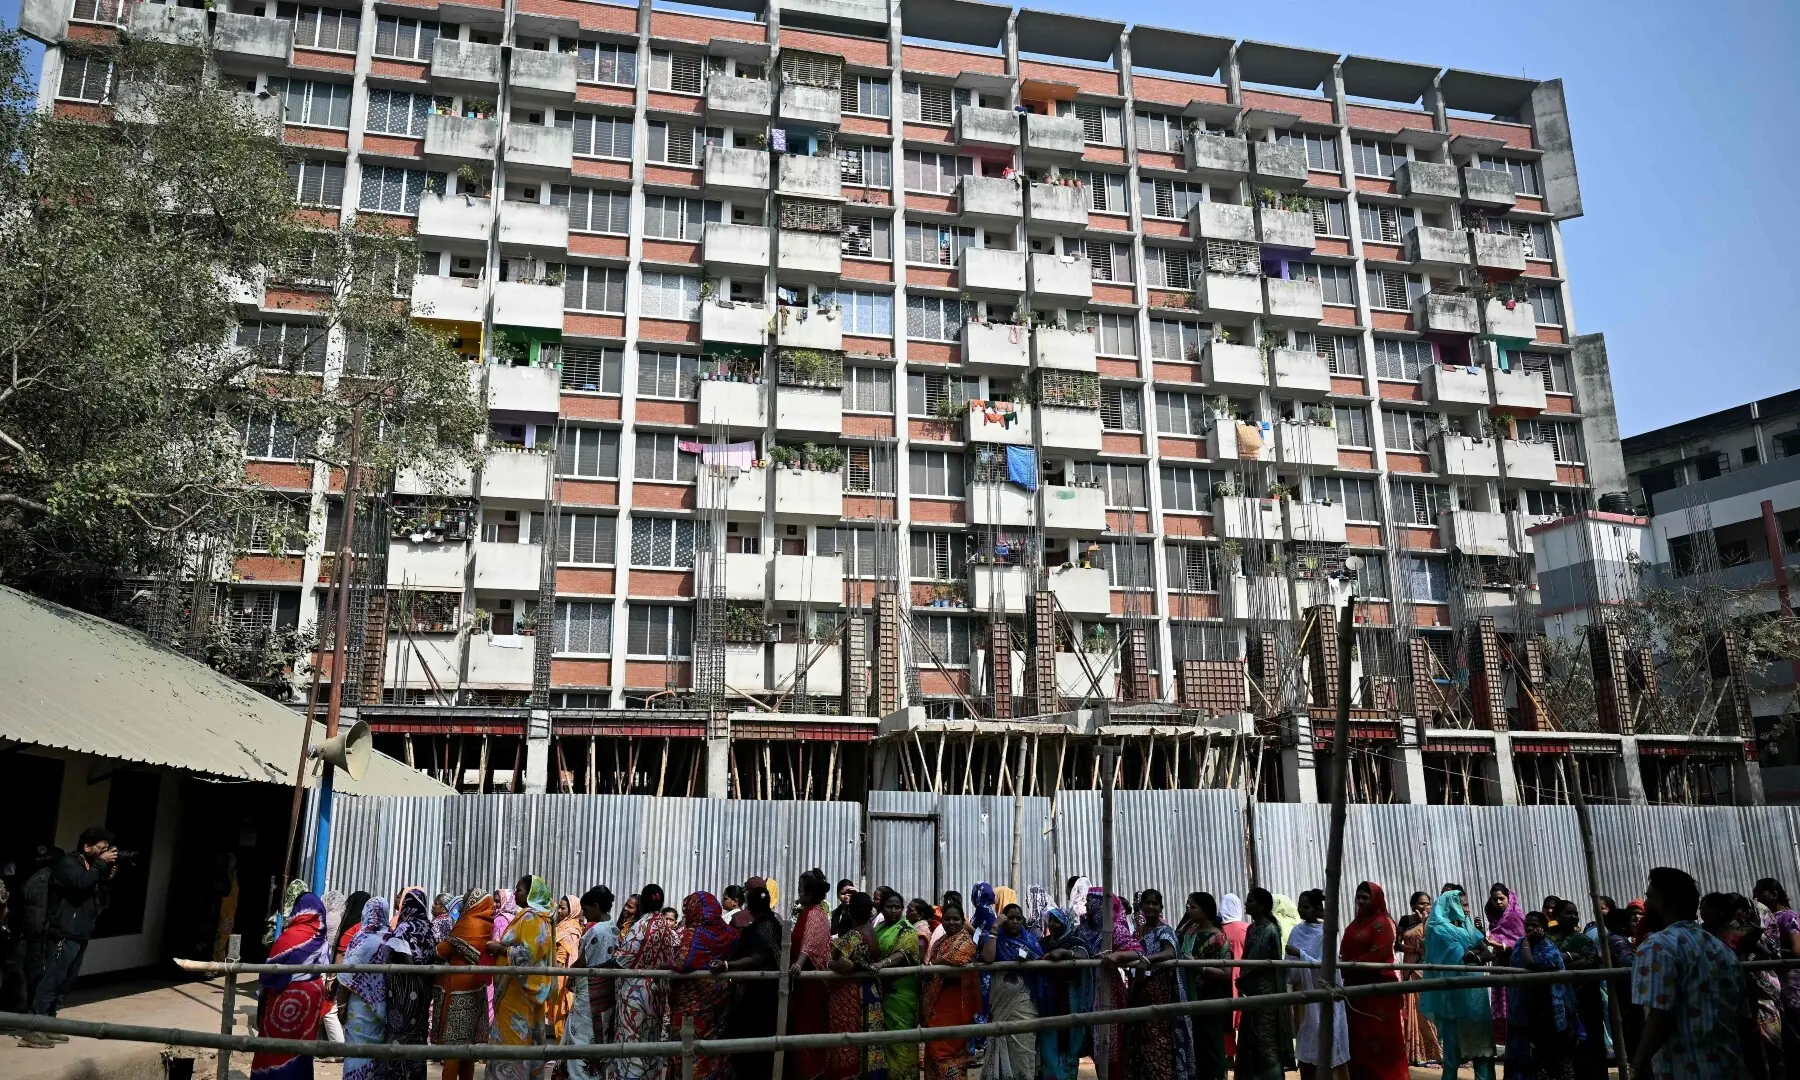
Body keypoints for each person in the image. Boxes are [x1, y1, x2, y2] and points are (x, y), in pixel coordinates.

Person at [1631, 867, 1742, 1080]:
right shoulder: (1721, 950)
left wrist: (1635, 1068)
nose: (1646, 905)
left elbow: (1659, 1019)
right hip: (1729, 1068)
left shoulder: (1657, 946)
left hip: (1683, 1070)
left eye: (1649, 897)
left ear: (1665, 900)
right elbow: (1744, 1020)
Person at [19, 826, 117, 1045]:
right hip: (63, 932)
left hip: (80, 933)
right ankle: (33, 1029)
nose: (105, 853)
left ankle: (50, 1024)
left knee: (65, 983)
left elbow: (98, 897)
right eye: (101, 848)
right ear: (87, 847)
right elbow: (81, 883)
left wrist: (106, 876)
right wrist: (101, 865)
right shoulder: (67, 863)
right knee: (51, 980)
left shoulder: (92, 867)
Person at [248, 891, 331, 1080]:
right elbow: (325, 967)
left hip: (286, 996)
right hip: (312, 996)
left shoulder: (289, 936)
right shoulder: (322, 938)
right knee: (302, 1047)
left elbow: (269, 974)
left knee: (276, 1046)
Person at [1421, 887, 1495, 1080]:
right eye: (1463, 905)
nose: (1467, 909)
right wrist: (1472, 955)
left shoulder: (1468, 927)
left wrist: (1474, 957)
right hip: (1451, 994)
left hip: (1475, 993)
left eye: (1467, 904)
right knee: (1453, 1049)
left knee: (1482, 1044)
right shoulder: (1438, 929)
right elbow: (1457, 955)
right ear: (1451, 906)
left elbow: (1487, 952)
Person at [609, 883, 680, 1080]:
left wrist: (614, 955)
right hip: (657, 991)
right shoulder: (668, 929)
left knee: (631, 1039)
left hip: (634, 992)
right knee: (650, 1040)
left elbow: (623, 960)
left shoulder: (639, 926)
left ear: (642, 902)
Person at [491, 875, 557, 1080]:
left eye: (519, 889)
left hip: (517, 993)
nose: (515, 892)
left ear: (531, 894)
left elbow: (527, 956)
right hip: (521, 991)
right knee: (526, 1037)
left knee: (513, 1040)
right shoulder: (538, 917)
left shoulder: (532, 917)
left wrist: (499, 948)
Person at [666, 892, 737, 1080]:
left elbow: (682, 963)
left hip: (693, 999)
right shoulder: (728, 932)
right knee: (714, 1045)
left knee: (689, 1045)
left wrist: (664, 963)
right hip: (720, 994)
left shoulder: (695, 933)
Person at [1340, 882, 1406, 1080]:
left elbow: (1379, 954)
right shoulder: (1356, 923)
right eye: (1358, 897)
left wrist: (1349, 965)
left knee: (1381, 1044)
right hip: (1356, 991)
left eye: (1365, 898)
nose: (1360, 901)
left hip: (1379, 992)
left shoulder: (1383, 923)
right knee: (1359, 1042)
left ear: (1376, 899)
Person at [1506, 910, 1580, 1080]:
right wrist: (1526, 942)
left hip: (1546, 1006)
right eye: (1527, 925)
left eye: (1535, 925)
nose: (1530, 928)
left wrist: (1528, 942)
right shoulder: (1519, 944)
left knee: (1548, 1050)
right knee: (1525, 1051)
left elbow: (1531, 963)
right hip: (1524, 1004)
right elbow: (1519, 962)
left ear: (1544, 929)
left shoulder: (1549, 948)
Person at [719, 884, 782, 1080]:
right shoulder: (774, 922)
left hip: (760, 991)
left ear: (750, 907)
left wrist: (728, 965)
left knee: (752, 1040)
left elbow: (758, 958)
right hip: (769, 991)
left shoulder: (761, 927)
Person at [1127, 889, 1191, 1080]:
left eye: (1155, 904)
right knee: (1140, 1042)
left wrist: (1146, 959)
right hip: (1139, 989)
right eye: (1147, 903)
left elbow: (1169, 952)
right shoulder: (1139, 931)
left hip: (1159, 993)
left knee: (1158, 1042)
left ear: (1161, 908)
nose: (1150, 907)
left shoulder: (1164, 931)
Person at [1288, 889, 1350, 1080]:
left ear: (1317, 909)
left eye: (1305, 907)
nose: (1300, 910)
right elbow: (1289, 966)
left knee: (1325, 1035)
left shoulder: (1325, 933)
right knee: (1306, 1037)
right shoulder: (1296, 930)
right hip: (1303, 994)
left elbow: (1325, 964)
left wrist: (1300, 954)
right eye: (1299, 906)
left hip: (1323, 992)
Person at [1235, 888, 1296, 1080]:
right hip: (1250, 990)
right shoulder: (1252, 929)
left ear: (1261, 906)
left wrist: (1245, 976)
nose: (1246, 904)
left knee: (1266, 1039)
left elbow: (1268, 962)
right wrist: (1242, 978)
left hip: (1265, 993)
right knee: (1250, 1038)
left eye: (1250, 901)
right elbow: (1246, 958)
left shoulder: (1271, 929)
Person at [437, 888, 496, 1080]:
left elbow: (442, 951)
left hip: (458, 991)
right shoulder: (489, 924)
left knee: (453, 1046)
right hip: (477, 989)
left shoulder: (467, 923)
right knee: (467, 1048)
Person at [982, 902, 1044, 1080]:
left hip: (1025, 1006)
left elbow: (1039, 961)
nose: (1015, 921)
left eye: (1018, 918)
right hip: (1000, 1004)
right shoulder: (995, 938)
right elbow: (988, 958)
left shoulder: (1030, 941)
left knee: (1024, 1049)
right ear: (1003, 919)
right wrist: (994, 927)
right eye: (1010, 918)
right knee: (1000, 1044)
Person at [381, 887, 438, 1080]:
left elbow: (401, 955)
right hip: (423, 989)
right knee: (418, 1033)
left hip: (404, 990)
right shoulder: (429, 927)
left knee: (400, 1032)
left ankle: (398, 1075)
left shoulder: (405, 927)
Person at [827, 891, 883, 1080]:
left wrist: (829, 964)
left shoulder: (853, 936)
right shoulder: (873, 932)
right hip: (872, 990)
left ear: (850, 912)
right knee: (870, 1040)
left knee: (851, 1040)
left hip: (854, 992)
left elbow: (844, 964)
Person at [564, 886, 619, 1080]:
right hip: (606, 995)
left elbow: (584, 961)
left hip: (589, 995)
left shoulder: (597, 931)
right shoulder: (614, 929)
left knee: (581, 1039)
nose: (585, 915)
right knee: (599, 1037)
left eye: (586, 910)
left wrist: (570, 972)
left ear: (596, 906)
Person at [1548, 899, 1606, 1080]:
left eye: (1575, 913)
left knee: (1588, 1047)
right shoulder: (1549, 939)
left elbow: (1591, 961)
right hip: (1556, 1002)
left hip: (1583, 1000)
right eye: (1568, 913)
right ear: (1556, 916)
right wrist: (1570, 957)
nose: (1573, 916)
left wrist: (1562, 962)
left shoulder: (1582, 939)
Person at [1177, 891, 1232, 1080]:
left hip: (1210, 998)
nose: (1188, 910)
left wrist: (1198, 966)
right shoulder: (1188, 931)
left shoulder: (1219, 938)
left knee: (1210, 1045)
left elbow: (1226, 974)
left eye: (1193, 907)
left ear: (1206, 910)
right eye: (1187, 906)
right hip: (1187, 997)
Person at [921, 901, 978, 1080]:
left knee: (945, 1051)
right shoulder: (939, 941)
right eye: (947, 919)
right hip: (936, 1001)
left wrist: (932, 965)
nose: (951, 922)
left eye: (956, 919)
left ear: (963, 921)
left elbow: (957, 957)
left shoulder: (965, 940)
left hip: (955, 1004)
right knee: (933, 1048)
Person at [787, 872, 835, 1080]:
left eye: (800, 889)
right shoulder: (807, 912)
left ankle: (811, 1071)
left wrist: (799, 963)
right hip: (802, 982)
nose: (798, 893)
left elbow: (811, 943)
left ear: (809, 893)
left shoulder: (816, 914)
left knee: (809, 1026)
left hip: (811, 981)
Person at [871, 889, 923, 1080]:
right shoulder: (879, 928)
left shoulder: (907, 929)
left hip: (902, 994)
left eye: (897, 907)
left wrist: (882, 964)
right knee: (883, 1041)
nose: (894, 910)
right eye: (889, 907)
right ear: (882, 908)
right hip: (881, 992)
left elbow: (904, 953)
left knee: (901, 1040)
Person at [340, 897, 392, 1080]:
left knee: (356, 1049)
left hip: (359, 1006)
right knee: (378, 1050)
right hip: (383, 1006)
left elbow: (347, 977)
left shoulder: (360, 938)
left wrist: (340, 1005)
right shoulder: (391, 939)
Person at [1036, 906, 1091, 1080]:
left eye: (1056, 921)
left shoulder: (1075, 942)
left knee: (1070, 1039)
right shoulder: (1043, 943)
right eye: (1050, 920)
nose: (1051, 924)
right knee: (1048, 1040)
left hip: (1070, 998)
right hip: (1048, 999)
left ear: (1065, 923)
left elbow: (1083, 956)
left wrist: (1065, 953)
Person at [1755, 878, 1800, 1080]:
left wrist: (1774, 953)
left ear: (1774, 893)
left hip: (1790, 981)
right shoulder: (1765, 916)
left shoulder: (1788, 917)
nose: (1757, 896)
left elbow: (1797, 950)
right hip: (1776, 979)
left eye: (1761, 892)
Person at [1397, 890, 1441, 1066]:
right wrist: (1410, 949)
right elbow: (1397, 944)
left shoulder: (1434, 921)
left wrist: (1424, 922)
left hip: (1425, 970)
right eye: (1421, 903)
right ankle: (1414, 1054)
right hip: (1409, 969)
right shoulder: (1405, 920)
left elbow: (1434, 944)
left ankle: (1433, 1051)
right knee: (1410, 1011)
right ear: (1413, 905)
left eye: (1428, 903)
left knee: (1426, 1010)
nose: (1425, 906)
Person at [1485, 883, 1527, 1051]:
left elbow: (1522, 942)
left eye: (1502, 898)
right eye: (1495, 899)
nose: (1498, 902)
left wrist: (1499, 944)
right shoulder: (1494, 918)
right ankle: (1509, 1045)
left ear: (1509, 899)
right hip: (1500, 964)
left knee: (1515, 1005)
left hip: (1515, 966)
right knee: (1502, 1005)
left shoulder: (1515, 917)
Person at [550, 894, 585, 1042]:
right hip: (560, 978)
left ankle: (561, 1055)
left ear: (573, 911)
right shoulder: (564, 927)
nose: (558, 911)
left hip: (562, 980)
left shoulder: (568, 931)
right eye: (559, 907)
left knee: (561, 1016)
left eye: (563, 908)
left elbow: (559, 961)